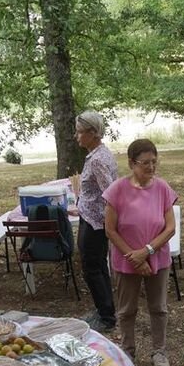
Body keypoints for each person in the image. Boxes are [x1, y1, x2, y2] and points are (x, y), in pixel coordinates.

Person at [104, 138, 178, 366]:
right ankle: (127, 350)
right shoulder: (117, 190)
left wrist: (146, 252)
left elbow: (170, 228)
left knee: (159, 307)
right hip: (126, 260)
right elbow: (110, 230)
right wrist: (134, 257)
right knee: (126, 309)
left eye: (154, 161)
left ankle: (159, 351)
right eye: (145, 162)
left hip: (156, 257)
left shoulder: (163, 188)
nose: (151, 167)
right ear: (131, 163)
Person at [75, 111, 118, 332]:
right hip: (91, 217)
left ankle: (106, 317)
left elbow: (110, 193)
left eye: (80, 132)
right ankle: (104, 309)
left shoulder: (98, 160)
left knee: (92, 268)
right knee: (98, 266)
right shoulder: (98, 154)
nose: (77, 136)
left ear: (93, 133)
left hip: (96, 223)